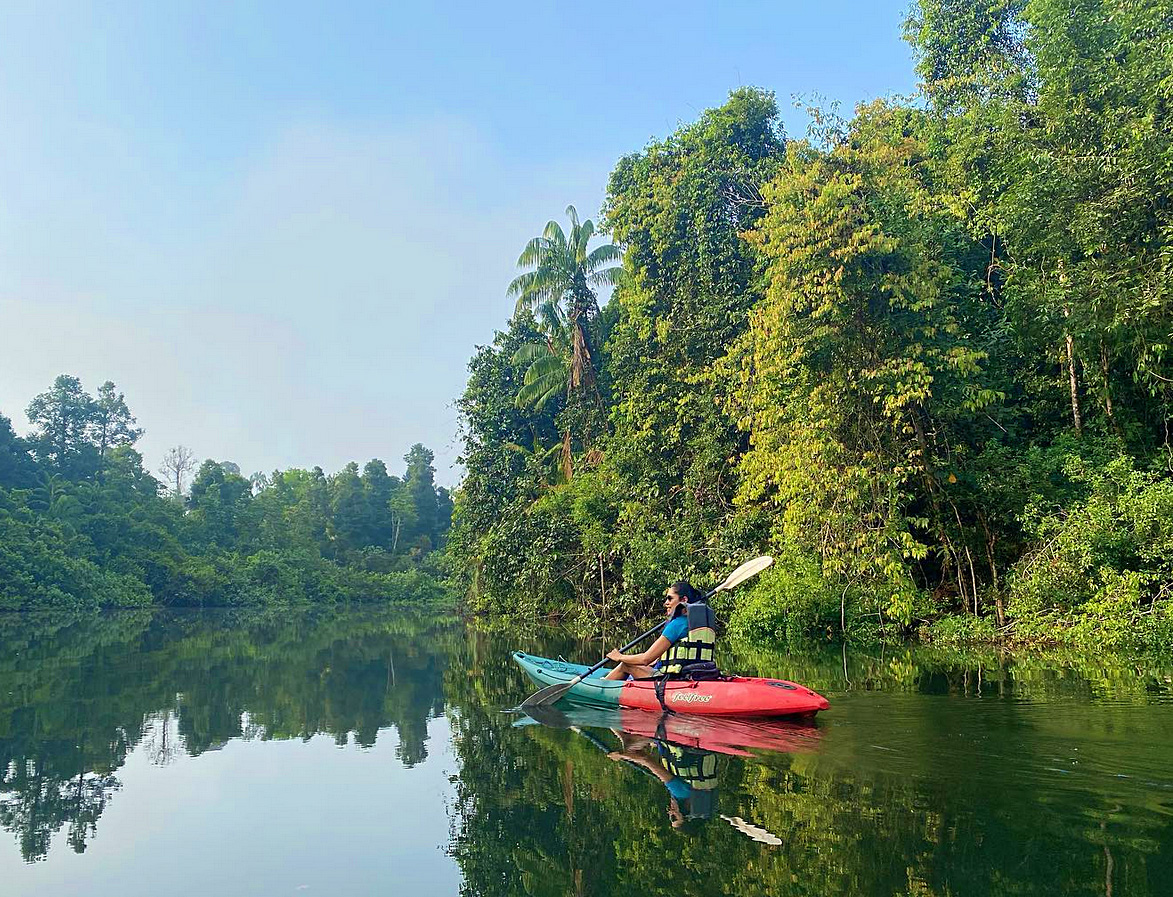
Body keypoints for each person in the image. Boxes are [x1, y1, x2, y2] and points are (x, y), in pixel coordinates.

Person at [603, 581, 704, 680]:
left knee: (625, 665)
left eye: (670, 599)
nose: (666, 603)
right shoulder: (698, 622)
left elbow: (645, 659)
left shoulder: (676, 624)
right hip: (691, 674)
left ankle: (600, 687)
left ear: (684, 600)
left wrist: (619, 656)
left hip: (671, 679)